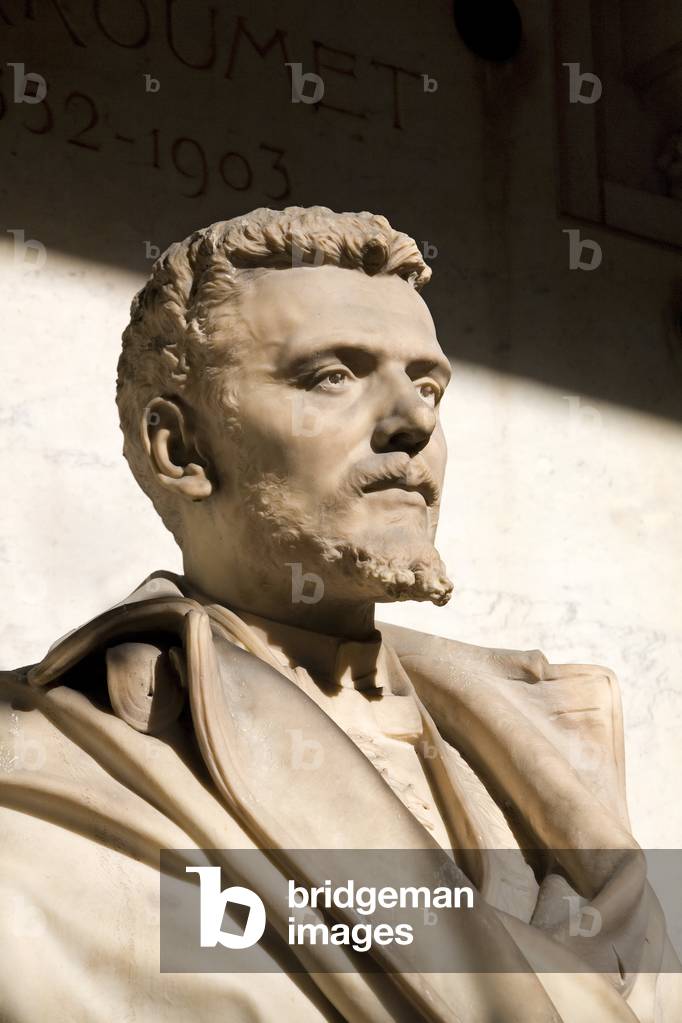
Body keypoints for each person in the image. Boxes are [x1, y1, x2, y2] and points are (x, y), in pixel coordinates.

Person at [1, 207, 678, 1021]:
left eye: (427, 386)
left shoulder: (543, 749)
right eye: (332, 376)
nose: (415, 422)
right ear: (180, 448)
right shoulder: (42, 777)